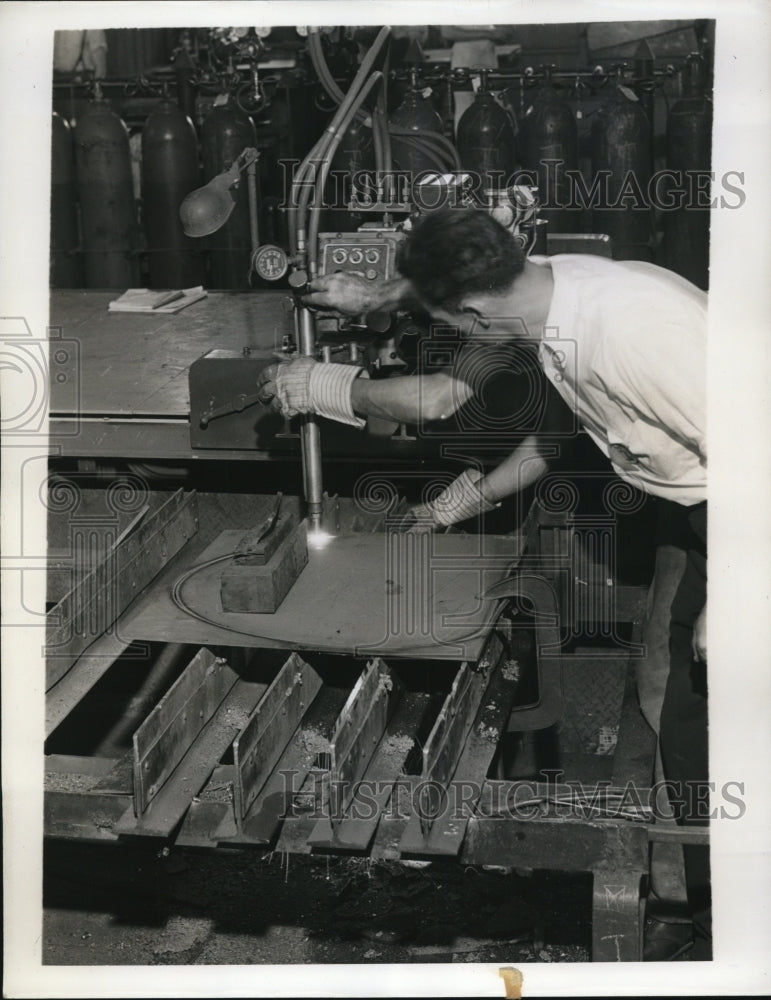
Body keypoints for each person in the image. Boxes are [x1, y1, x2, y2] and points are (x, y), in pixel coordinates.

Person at [256, 208, 709, 957]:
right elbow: (562, 429)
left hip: (735, 512)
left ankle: (717, 923)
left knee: (700, 717)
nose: (458, 340)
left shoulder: (633, 334)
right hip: (692, 506)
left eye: (452, 325)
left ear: (473, 312)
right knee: (662, 689)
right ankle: (685, 891)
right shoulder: (551, 295)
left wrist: (735, 590)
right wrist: (460, 501)